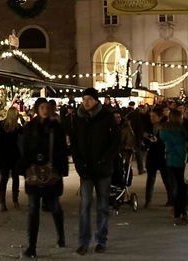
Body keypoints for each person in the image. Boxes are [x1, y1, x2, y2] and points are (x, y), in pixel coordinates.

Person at [72, 87, 121, 255]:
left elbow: (116, 141)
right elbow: (74, 143)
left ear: (96, 101)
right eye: (84, 99)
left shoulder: (106, 117)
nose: (86, 102)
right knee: (85, 205)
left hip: (102, 169)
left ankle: (101, 240)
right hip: (86, 169)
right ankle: (84, 242)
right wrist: (78, 163)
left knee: (102, 206)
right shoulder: (78, 118)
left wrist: (105, 158)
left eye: (89, 99)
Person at [19, 97, 69, 258]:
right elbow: (25, 149)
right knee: (33, 210)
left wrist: (61, 169)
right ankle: (32, 246)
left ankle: (61, 236)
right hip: (34, 172)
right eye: (42, 107)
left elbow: (62, 149)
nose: (45, 110)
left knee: (55, 207)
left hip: (52, 172)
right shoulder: (30, 127)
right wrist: (25, 167)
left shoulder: (56, 127)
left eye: (47, 107)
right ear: (37, 109)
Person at [160, 109, 188, 225]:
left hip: (170, 161)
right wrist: (187, 157)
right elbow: (180, 147)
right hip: (179, 162)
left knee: (175, 187)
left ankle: (177, 212)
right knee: (182, 189)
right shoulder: (177, 131)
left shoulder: (165, 131)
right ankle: (180, 214)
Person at [144, 105, 173, 210]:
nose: (151, 118)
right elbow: (145, 136)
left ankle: (171, 199)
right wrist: (147, 138)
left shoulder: (166, 126)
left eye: (154, 116)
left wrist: (158, 140)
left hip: (163, 155)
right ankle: (148, 200)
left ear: (160, 117)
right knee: (150, 179)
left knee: (166, 178)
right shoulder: (149, 126)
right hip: (152, 155)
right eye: (150, 116)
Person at [0, 107, 22, 211]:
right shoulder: (17, 127)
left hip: (3, 154)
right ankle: (15, 200)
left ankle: (2, 202)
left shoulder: (1, 125)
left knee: (4, 177)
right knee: (15, 177)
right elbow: (24, 133)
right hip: (14, 154)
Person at [124, 101, 146, 174]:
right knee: (138, 154)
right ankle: (140, 169)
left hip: (128, 137)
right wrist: (141, 138)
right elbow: (139, 128)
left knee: (128, 155)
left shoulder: (126, 112)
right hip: (135, 137)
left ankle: (126, 169)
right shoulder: (137, 115)